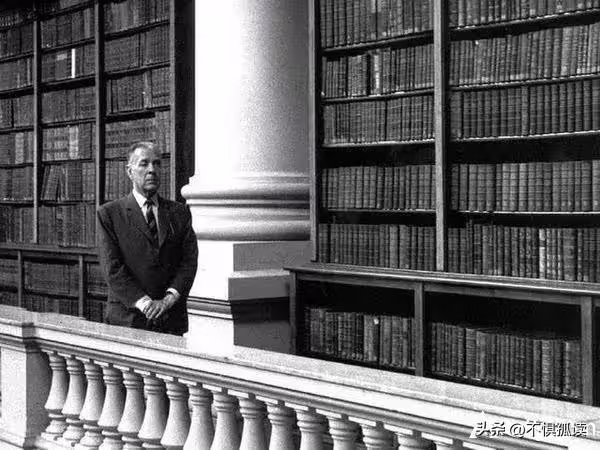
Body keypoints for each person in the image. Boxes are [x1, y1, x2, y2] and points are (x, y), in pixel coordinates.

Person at [96, 141, 198, 335]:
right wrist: (146, 304)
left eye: (157, 163)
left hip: (171, 319)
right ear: (130, 171)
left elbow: (189, 262)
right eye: (144, 164)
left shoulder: (179, 213)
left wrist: (168, 300)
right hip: (128, 319)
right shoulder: (109, 214)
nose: (152, 170)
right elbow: (112, 268)